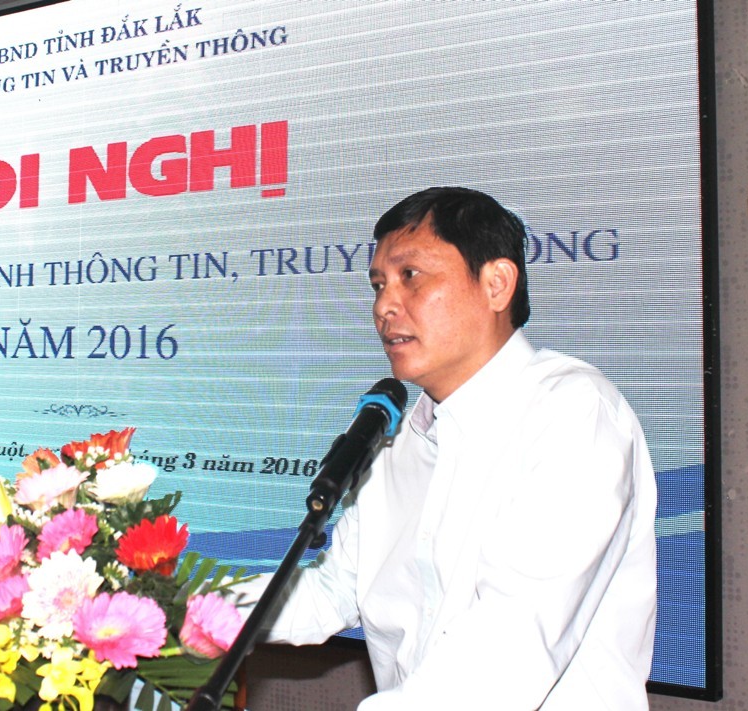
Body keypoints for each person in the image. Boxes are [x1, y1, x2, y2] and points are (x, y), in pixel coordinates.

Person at [246, 186, 657, 709]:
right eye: (378, 284)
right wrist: (182, 608)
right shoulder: (396, 440)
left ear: (496, 283)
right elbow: (333, 590)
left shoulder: (574, 413)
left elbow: (509, 647)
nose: (384, 306)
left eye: (410, 276)